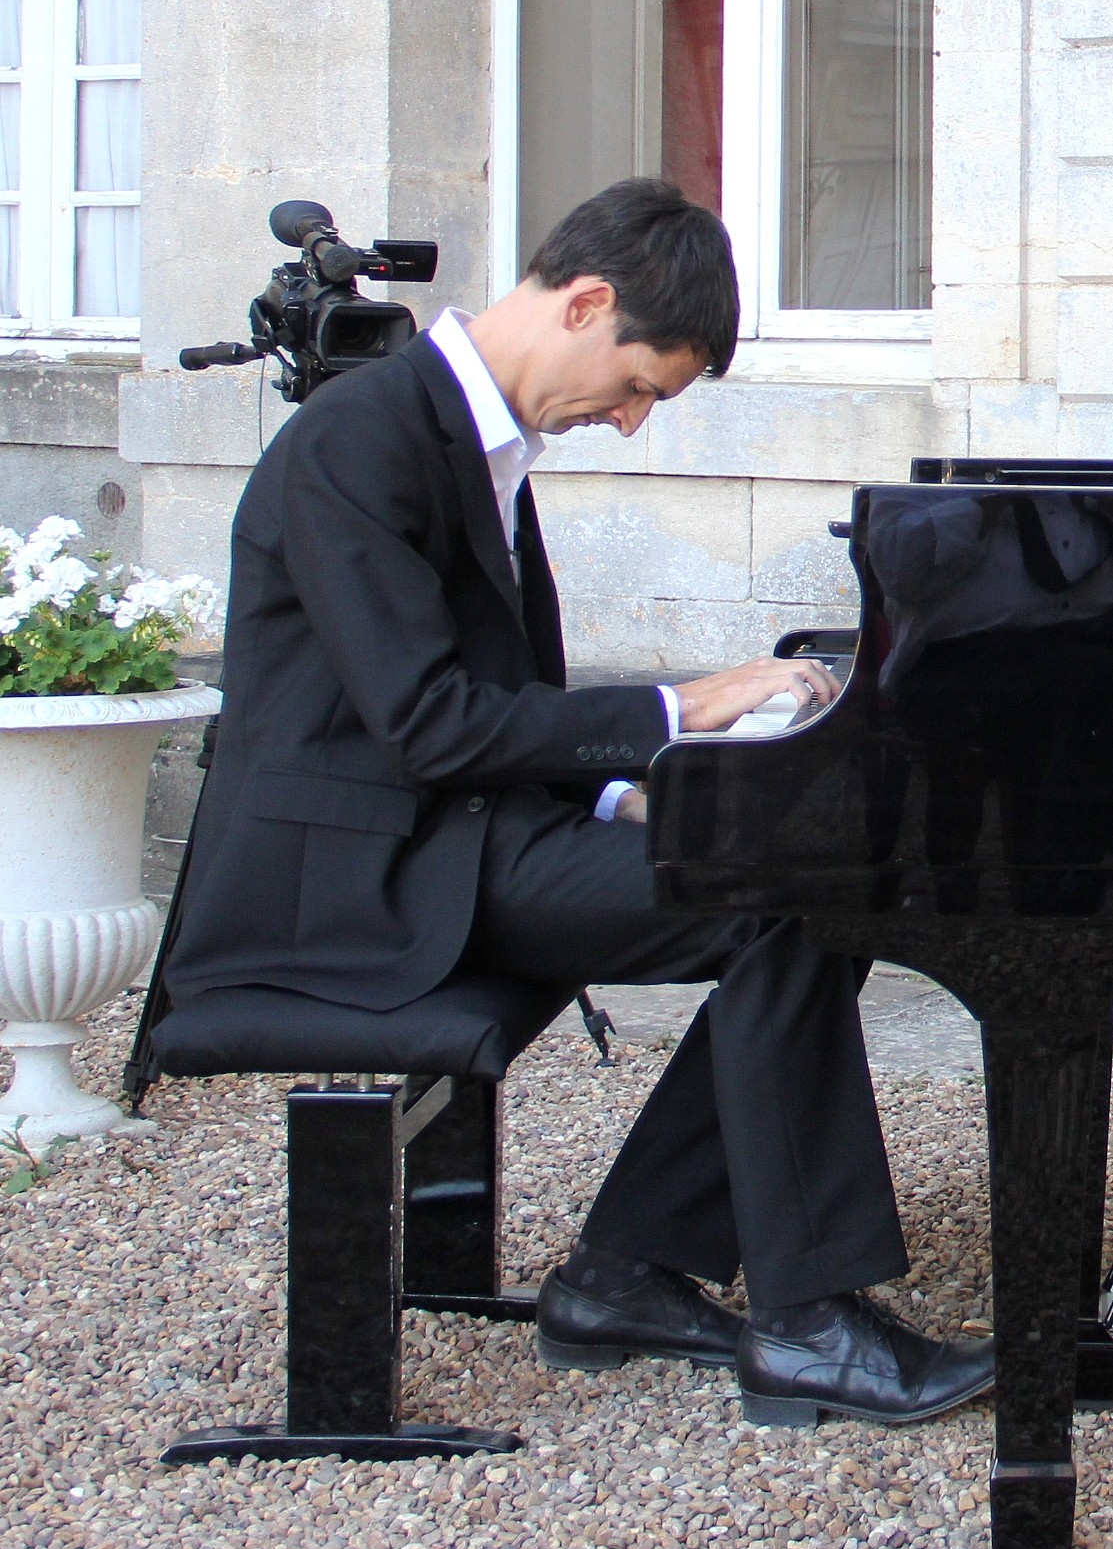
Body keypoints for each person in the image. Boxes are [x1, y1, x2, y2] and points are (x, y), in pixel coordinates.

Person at [168, 178, 994, 1427]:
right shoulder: (359, 438)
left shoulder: (464, 433)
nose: (628, 422)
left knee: (792, 885)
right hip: (358, 877)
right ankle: (802, 1318)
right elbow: (432, 722)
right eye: (638, 387)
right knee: (779, 906)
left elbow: (489, 702)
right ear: (587, 301)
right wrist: (685, 709)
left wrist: (627, 794)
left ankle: (629, 1273)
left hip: (448, 832)